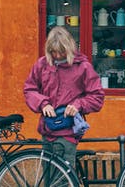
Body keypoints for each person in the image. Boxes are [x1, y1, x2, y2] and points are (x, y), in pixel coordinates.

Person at [23, 26, 104, 171]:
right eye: (53, 52)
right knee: (48, 177)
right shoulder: (42, 65)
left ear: (68, 48)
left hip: (68, 133)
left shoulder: (82, 67)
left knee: (61, 180)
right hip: (47, 130)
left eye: (61, 51)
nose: (58, 56)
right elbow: (30, 89)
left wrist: (78, 104)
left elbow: (97, 96)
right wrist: (43, 103)